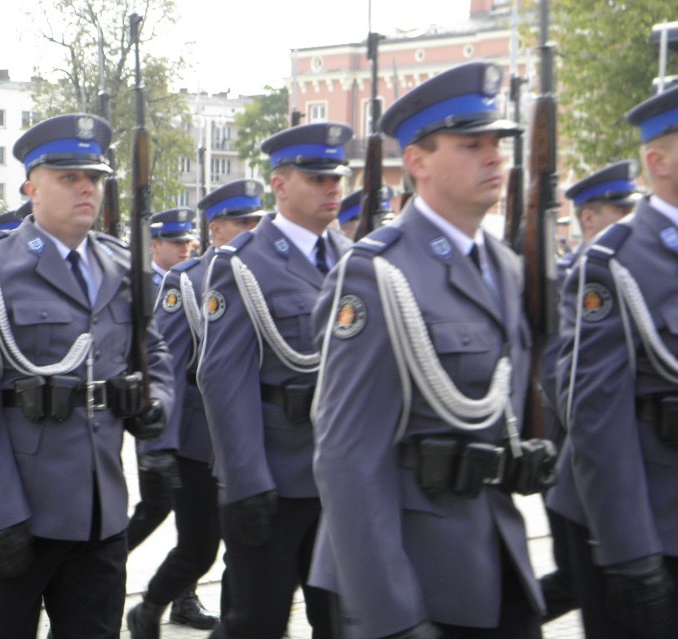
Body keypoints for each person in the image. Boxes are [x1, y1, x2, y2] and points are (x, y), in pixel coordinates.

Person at [311, 61, 551, 638]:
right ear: (417, 161)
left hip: (495, 560)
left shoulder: (508, 268)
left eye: (498, 142)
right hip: (414, 576)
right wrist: (392, 617)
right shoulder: (378, 275)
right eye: (472, 144)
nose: (495, 156)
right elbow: (347, 458)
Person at [0, 113, 173, 639]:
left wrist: (157, 403)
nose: (87, 187)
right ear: (31, 187)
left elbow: (153, 350)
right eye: (69, 177)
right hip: (16, 509)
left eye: (96, 178)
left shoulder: (120, 265)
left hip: (97, 511)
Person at [198, 121, 354, 639]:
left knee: (342, 620)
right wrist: (245, 484)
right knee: (257, 622)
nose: (332, 187)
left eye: (337, 177)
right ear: (281, 185)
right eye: (317, 178)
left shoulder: (354, 261)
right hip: (275, 478)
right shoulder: (244, 263)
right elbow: (223, 379)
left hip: (340, 478)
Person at [556, 85, 678, 638]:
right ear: (657, 161)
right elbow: (595, 419)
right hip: (658, 528)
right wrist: (632, 555)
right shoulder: (614, 263)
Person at [127, 179, 265, 638]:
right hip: (199, 438)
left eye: (256, 222)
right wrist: (160, 445)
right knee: (200, 548)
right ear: (218, 228)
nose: (252, 230)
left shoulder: (266, 274)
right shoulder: (186, 281)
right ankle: (148, 607)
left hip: (255, 435)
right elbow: (165, 366)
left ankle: (234, 624)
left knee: (249, 546)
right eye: (242, 223)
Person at [538, 160, 640, 627]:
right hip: (579, 470)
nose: (630, 219)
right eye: (619, 211)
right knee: (588, 587)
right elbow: (567, 388)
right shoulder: (580, 279)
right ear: (590, 218)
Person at [149, 208, 195, 289]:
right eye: (177, 242)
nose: (185, 249)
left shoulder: (194, 280)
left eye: (188, 242)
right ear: (155, 245)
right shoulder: (144, 284)